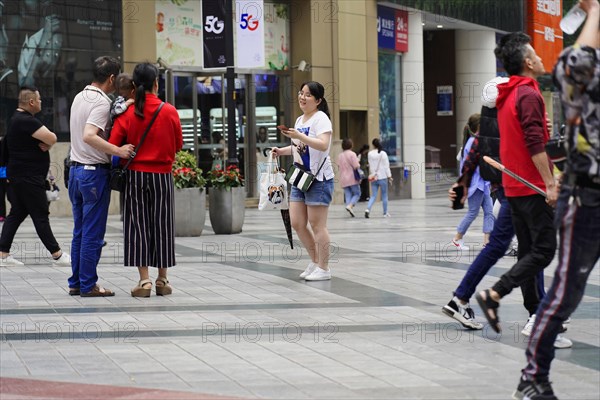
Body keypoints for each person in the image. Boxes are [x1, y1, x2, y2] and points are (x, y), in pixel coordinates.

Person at [443, 77, 571, 349]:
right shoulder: (509, 122)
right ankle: (536, 314)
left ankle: (462, 298)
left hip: (509, 191)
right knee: (533, 251)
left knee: (517, 248)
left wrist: (462, 184)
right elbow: (534, 149)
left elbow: (473, 156)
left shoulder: (490, 127)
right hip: (522, 191)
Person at [514, 2, 600, 398]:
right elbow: (573, 60)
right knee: (567, 289)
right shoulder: (581, 79)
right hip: (587, 199)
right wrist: (595, 10)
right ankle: (533, 375)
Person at [475, 32, 558, 334]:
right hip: (532, 185)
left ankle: (537, 314)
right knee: (545, 249)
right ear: (527, 62)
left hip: (513, 186)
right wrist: (549, 183)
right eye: (535, 54)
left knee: (528, 250)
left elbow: (526, 135)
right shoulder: (528, 94)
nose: (539, 57)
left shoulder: (510, 94)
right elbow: (534, 143)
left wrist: (542, 128)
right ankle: (494, 293)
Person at [109, 62, 183, 297]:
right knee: (162, 224)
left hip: (135, 176)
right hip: (162, 176)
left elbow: (113, 142)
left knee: (137, 225)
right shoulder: (169, 110)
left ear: (133, 85)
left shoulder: (129, 112)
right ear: (156, 83)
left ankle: (144, 281)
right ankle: (162, 279)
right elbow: (179, 144)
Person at [68, 56, 134, 297]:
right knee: (93, 235)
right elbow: (89, 135)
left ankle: (76, 282)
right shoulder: (100, 102)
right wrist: (119, 150)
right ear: (112, 78)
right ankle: (88, 285)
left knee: (80, 232)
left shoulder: (79, 97)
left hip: (75, 173)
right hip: (92, 174)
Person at [0, 86, 70, 267]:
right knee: (40, 215)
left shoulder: (15, 119)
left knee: (16, 214)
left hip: (19, 177)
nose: (40, 102)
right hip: (29, 178)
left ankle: (2, 254)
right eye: (39, 99)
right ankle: (57, 254)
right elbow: (52, 137)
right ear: (31, 102)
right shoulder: (26, 120)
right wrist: (48, 143)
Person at [272, 81, 334, 281]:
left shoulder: (321, 119)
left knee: (318, 225)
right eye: (301, 93)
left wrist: (299, 136)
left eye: (308, 95)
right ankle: (315, 261)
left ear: (318, 100)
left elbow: (323, 145)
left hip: (319, 179)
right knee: (297, 223)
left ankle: (324, 268)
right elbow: (300, 147)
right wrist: (281, 150)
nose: (302, 97)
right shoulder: (300, 120)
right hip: (299, 177)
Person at [451, 113, 494, 250]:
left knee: (489, 212)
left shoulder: (476, 141)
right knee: (473, 213)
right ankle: (457, 238)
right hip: (475, 184)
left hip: (483, 183)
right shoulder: (472, 143)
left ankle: (487, 242)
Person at [364, 138, 392, 218]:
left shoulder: (370, 154)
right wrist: (389, 176)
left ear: (373, 145)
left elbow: (370, 165)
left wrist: (373, 173)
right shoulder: (383, 153)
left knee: (373, 195)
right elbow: (386, 166)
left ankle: (368, 209)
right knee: (384, 195)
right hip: (382, 177)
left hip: (374, 177)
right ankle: (385, 212)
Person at [336, 138, 361, 217]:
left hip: (343, 177)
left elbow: (339, 166)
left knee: (348, 193)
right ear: (351, 145)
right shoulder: (352, 154)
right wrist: (358, 160)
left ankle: (348, 206)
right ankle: (350, 206)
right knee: (357, 193)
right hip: (352, 177)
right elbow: (356, 166)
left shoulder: (340, 155)